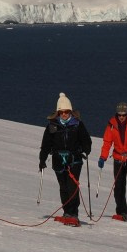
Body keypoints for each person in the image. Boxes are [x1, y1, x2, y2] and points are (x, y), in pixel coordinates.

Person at [40, 93, 92, 227]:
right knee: (63, 187)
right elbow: (45, 145)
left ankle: (74, 213)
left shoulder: (78, 124)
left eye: (67, 111)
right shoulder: (52, 126)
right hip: (58, 160)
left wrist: (85, 149)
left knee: (72, 186)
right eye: (62, 112)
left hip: (74, 160)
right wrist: (42, 160)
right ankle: (67, 212)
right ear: (58, 112)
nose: (64, 114)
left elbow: (87, 141)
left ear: (70, 111)